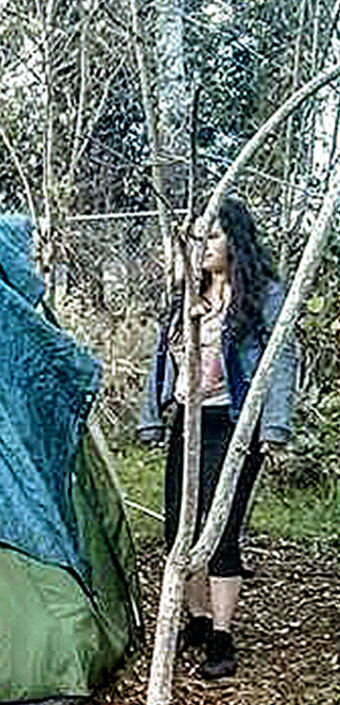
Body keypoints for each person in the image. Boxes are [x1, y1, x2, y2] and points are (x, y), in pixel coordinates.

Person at [139, 197, 298, 680]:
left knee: (221, 532)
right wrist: (152, 416)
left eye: (211, 236)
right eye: (196, 238)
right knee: (179, 530)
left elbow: (282, 359)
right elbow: (159, 359)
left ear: (235, 240)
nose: (202, 246)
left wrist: (273, 426)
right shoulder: (187, 296)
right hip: (188, 420)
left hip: (234, 423)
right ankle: (198, 620)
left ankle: (223, 639)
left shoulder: (264, 295)